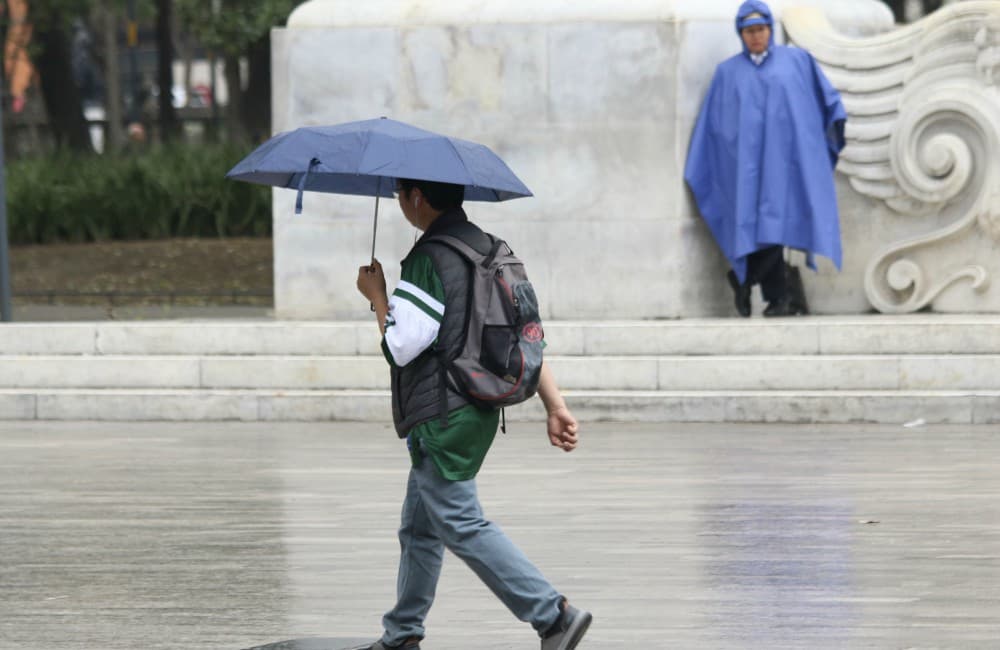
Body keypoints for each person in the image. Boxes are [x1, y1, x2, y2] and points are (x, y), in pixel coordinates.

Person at [355, 177, 593, 650]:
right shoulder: (491, 249)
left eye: (400, 195)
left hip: (442, 412)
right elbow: (528, 337)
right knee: (420, 526)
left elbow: (400, 345)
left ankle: (553, 614)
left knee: (461, 523)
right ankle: (402, 634)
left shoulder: (430, 259)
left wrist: (376, 295)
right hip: (474, 407)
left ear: (416, 198)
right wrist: (555, 404)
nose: (400, 203)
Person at [684, 0, 847, 317]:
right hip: (748, 171)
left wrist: (816, 146)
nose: (755, 36)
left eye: (760, 29)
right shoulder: (728, 73)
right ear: (740, 34)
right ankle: (775, 295)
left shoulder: (795, 62)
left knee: (778, 226)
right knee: (767, 229)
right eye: (749, 31)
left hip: (788, 166)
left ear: (771, 29)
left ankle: (752, 281)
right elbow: (716, 126)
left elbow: (824, 102)